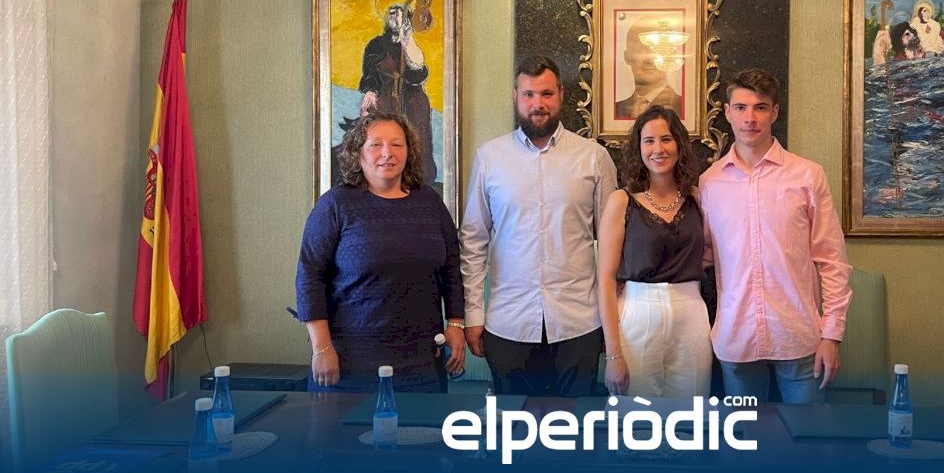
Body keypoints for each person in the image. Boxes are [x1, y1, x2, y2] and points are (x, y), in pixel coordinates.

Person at [460, 56, 618, 396]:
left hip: (579, 323)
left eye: (546, 94)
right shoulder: (489, 158)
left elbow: (613, 246)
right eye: (529, 94)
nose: (538, 104)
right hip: (509, 323)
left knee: (575, 423)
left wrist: (613, 319)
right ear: (515, 96)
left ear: (561, 94)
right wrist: (473, 314)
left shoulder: (594, 157)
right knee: (514, 423)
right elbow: (473, 241)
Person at [699, 69, 853, 404]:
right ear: (727, 112)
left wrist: (832, 334)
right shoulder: (710, 182)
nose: (750, 118)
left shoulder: (807, 175)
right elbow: (703, 256)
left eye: (760, 107)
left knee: (807, 435)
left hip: (797, 336)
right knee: (745, 435)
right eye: (741, 107)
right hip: (736, 337)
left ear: (775, 112)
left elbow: (832, 260)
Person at [295, 112, 465, 392]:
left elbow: (451, 268)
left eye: (397, 144)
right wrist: (321, 347)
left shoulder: (430, 203)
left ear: (409, 152)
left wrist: (455, 324)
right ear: (358, 152)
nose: (388, 153)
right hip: (349, 365)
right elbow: (309, 278)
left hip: (422, 363)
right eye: (376, 144)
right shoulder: (335, 205)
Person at [597, 105, 710, 397]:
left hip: (691, 313)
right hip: (638, 312)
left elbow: (714, 250)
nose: (658, 149)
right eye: (649, 141)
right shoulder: (621, 201)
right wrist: (613, 354)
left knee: (691, 416)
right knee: (636, 416)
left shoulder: (697, 198)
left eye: (666, 139)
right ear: (639, 148)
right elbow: (606, 280)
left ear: (679, 145)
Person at [358, 2, 438, 187]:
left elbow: (417, 73)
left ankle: (417, 180)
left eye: (400, 13)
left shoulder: (410, 43)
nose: (396, 16)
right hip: (385, 98)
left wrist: (406, 39)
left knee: (416, 137)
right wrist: (370, 91)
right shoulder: (376, 44)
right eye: (392, 13)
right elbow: (370, 72)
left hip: (412, 100)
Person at [614, 16, 684, 119]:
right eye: (641, 48)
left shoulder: (683, 107)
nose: (649, 60)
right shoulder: (614, 110)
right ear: (627, 57)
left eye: (658, 49)